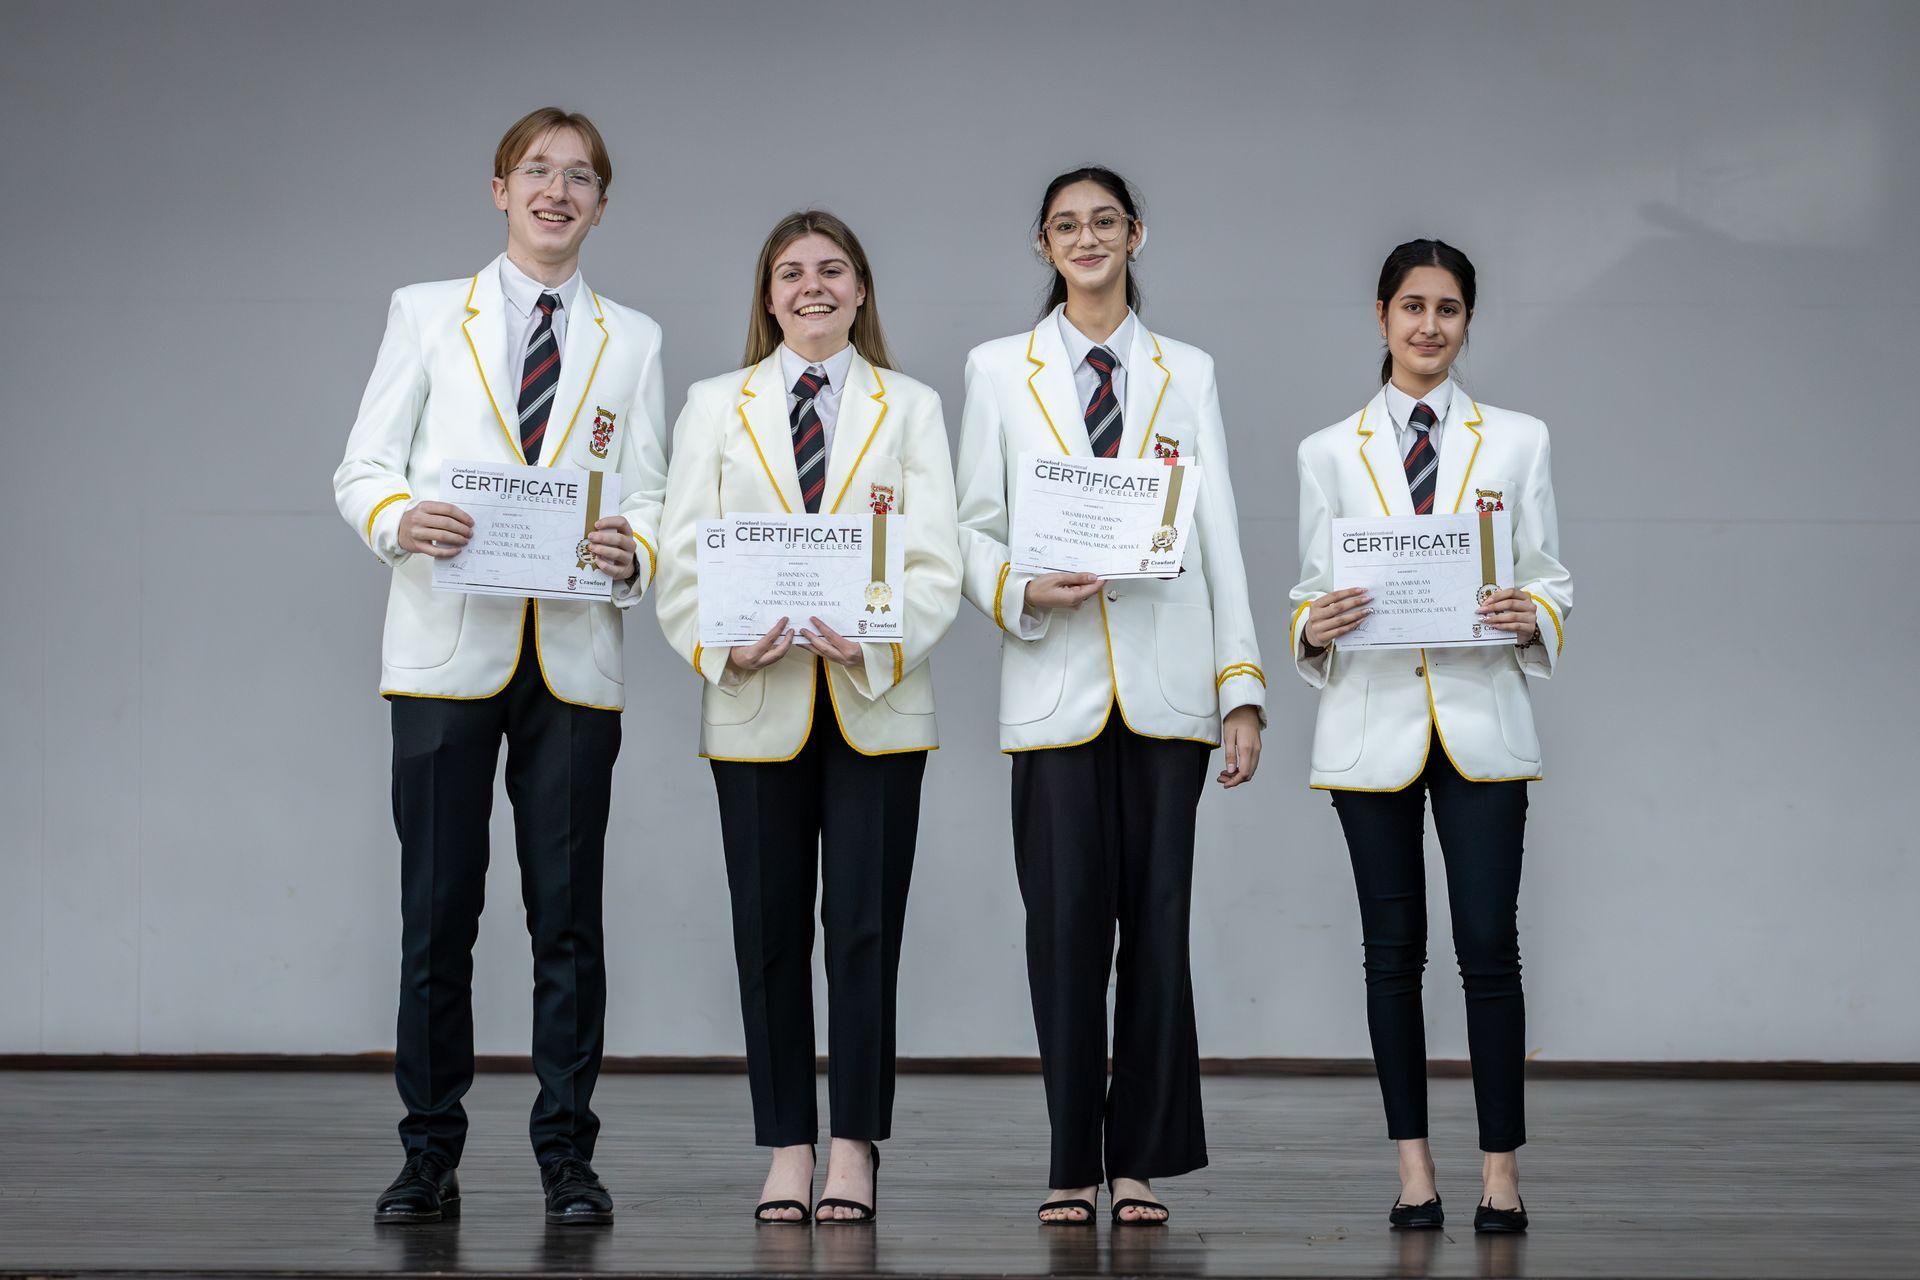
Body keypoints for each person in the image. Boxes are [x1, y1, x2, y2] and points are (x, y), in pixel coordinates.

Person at [333, 107, 666, 1226]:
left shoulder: (637, 340)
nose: (556, 191)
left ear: (602, 205)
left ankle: (567, 1154)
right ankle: (428, 1150)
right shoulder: (428, 313)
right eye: (538, 171)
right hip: (444, 648)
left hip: (573, 657)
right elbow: (363, 464)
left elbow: (654, 492)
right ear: (499, 189)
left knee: (568, 917)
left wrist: (642, 545)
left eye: (580, 177)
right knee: (438, 915)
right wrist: (399, 517)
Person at [953, 167, 1265, 1225]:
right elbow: (971, 530)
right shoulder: (1000, 370)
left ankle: (1137, 1159)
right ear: (1043, 245)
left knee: (1158, 927)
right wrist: (1018, 587)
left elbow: (1218, 527)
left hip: (1170, 689)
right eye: (1064, 226)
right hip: (1056, 685)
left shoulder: (1190, 372)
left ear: (1136, 234)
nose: (1086, 239)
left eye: (1103, 222)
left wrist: (1241, 687)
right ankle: (1069, 1161)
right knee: (1065, 928)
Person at [654, 210, 962, 1225]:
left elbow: (934, 562)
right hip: (753, 700)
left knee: (866, 931)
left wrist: (873, 635)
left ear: (862, 289)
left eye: (833, 270)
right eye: (791, 273)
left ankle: (854, 1144)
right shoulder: (713, 404)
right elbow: (682, 552)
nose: (812, 287)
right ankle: (788, 1140)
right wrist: (720, 643)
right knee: (769, 931)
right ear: (768, 294)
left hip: (876, 696)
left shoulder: (910, 407)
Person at [1288, 238, 1571, 1235]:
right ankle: (1415, 1169)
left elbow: (1551, 574)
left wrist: (1532, 612)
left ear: (1466, 323)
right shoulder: (1328, 451)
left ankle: (1501, 1171)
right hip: (1371, 722)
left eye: (1448, 308)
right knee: (1390, 952)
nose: (1429, 325)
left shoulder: (1517, 441)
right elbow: (1306, 593)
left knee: (1490, 945)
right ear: (1380, 315)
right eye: (1412, 305)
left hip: (1484, 719)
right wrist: (1309, 627)